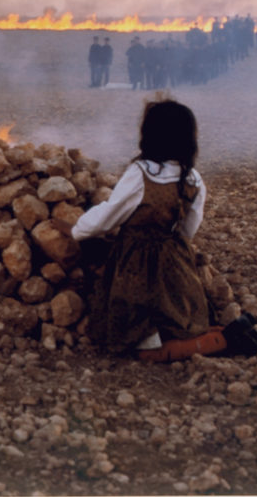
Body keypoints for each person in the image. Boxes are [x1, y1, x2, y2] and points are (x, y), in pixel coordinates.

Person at [69, 99, 211, 355]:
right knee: (177, 309)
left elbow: (109, 216)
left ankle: (146, 338)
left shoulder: (141, 173)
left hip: (134, 261)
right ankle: (175, 332)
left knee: (130, 313)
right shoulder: (193, 178)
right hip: (175, 262)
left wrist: (77, 229)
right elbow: (189, 229)